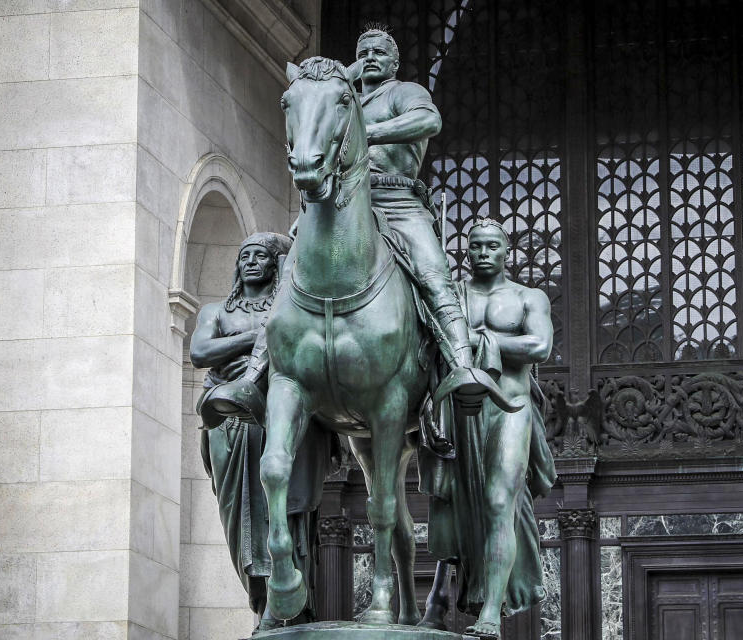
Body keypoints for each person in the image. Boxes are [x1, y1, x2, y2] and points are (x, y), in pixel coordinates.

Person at [354, 27, 511, 417]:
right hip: (344, 201)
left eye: (379, 52)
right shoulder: (342, 98)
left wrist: (366, 132)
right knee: (288, 265)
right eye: (363, 52)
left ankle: (462, 367)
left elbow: (429, 121)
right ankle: (257, 375)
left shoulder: (405, 92)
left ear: (394, 63)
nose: (370, 57)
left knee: (433, 275)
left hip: (397, 199)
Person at [420, 219, 558, 639]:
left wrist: (481, 341)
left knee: (501, 500)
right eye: (475, 245)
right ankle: (441, 599)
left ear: (505, 251)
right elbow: (425, 343)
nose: (482, 252)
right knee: (455, 504)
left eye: (491, 246)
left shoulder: (527, 297)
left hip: (510, 405)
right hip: (460, 408)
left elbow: (540, 347)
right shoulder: (450, 297)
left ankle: (491, 615)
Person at [190, 232, 333, 632]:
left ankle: (286, 605)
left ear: (276, 265)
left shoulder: (291, 306)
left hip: (281, 420)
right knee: (242, 521)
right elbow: (199, 352)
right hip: (231, 424)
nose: (252, 262)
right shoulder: (216, 313)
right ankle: (261, 601)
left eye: (262, 256)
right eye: (245, 256)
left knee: (287, 513)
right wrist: (257, 337)